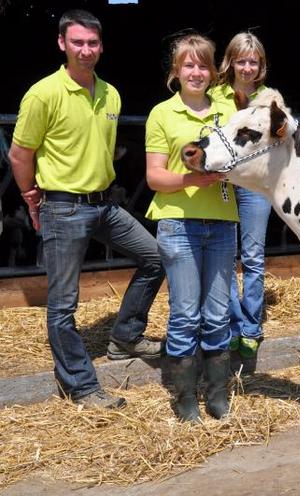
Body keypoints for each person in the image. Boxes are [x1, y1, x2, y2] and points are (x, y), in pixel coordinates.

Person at [8, 9, 165, 409]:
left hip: (104, 204)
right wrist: (30, 195)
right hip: (62, 206)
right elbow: (20, 154)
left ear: (101, 46)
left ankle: (125, 336)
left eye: (92, 43)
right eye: (77, 42)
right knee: (63, 305)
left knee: (156, 257)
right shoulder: (43, 93)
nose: (85, 50)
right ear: (62, 44)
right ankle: (81, 387)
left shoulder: (110, 93)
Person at [145, 33, 238, 422]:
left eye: (203, 65)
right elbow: (153, 176)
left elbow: (244, 160)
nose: (196, 72)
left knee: (217, 313)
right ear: (176, 71)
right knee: (185, 313)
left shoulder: (229, 113)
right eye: (189, 65)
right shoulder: (162, 114)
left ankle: (216, 392)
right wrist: (190, 180)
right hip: (178, 223)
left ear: (213, 71)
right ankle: (185, 397)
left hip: (220, 222)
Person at [211, 30, 272, 360]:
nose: (247, 68)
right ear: (230, 62)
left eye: (253, 61)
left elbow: (279, 142)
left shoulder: (269, 99)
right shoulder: (214, 95)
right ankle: (232, 324)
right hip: (221, 185)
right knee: (223, 255)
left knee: (252, 256)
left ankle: (250, 327)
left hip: (254, 186)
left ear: (260, 65)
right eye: (241, 61)